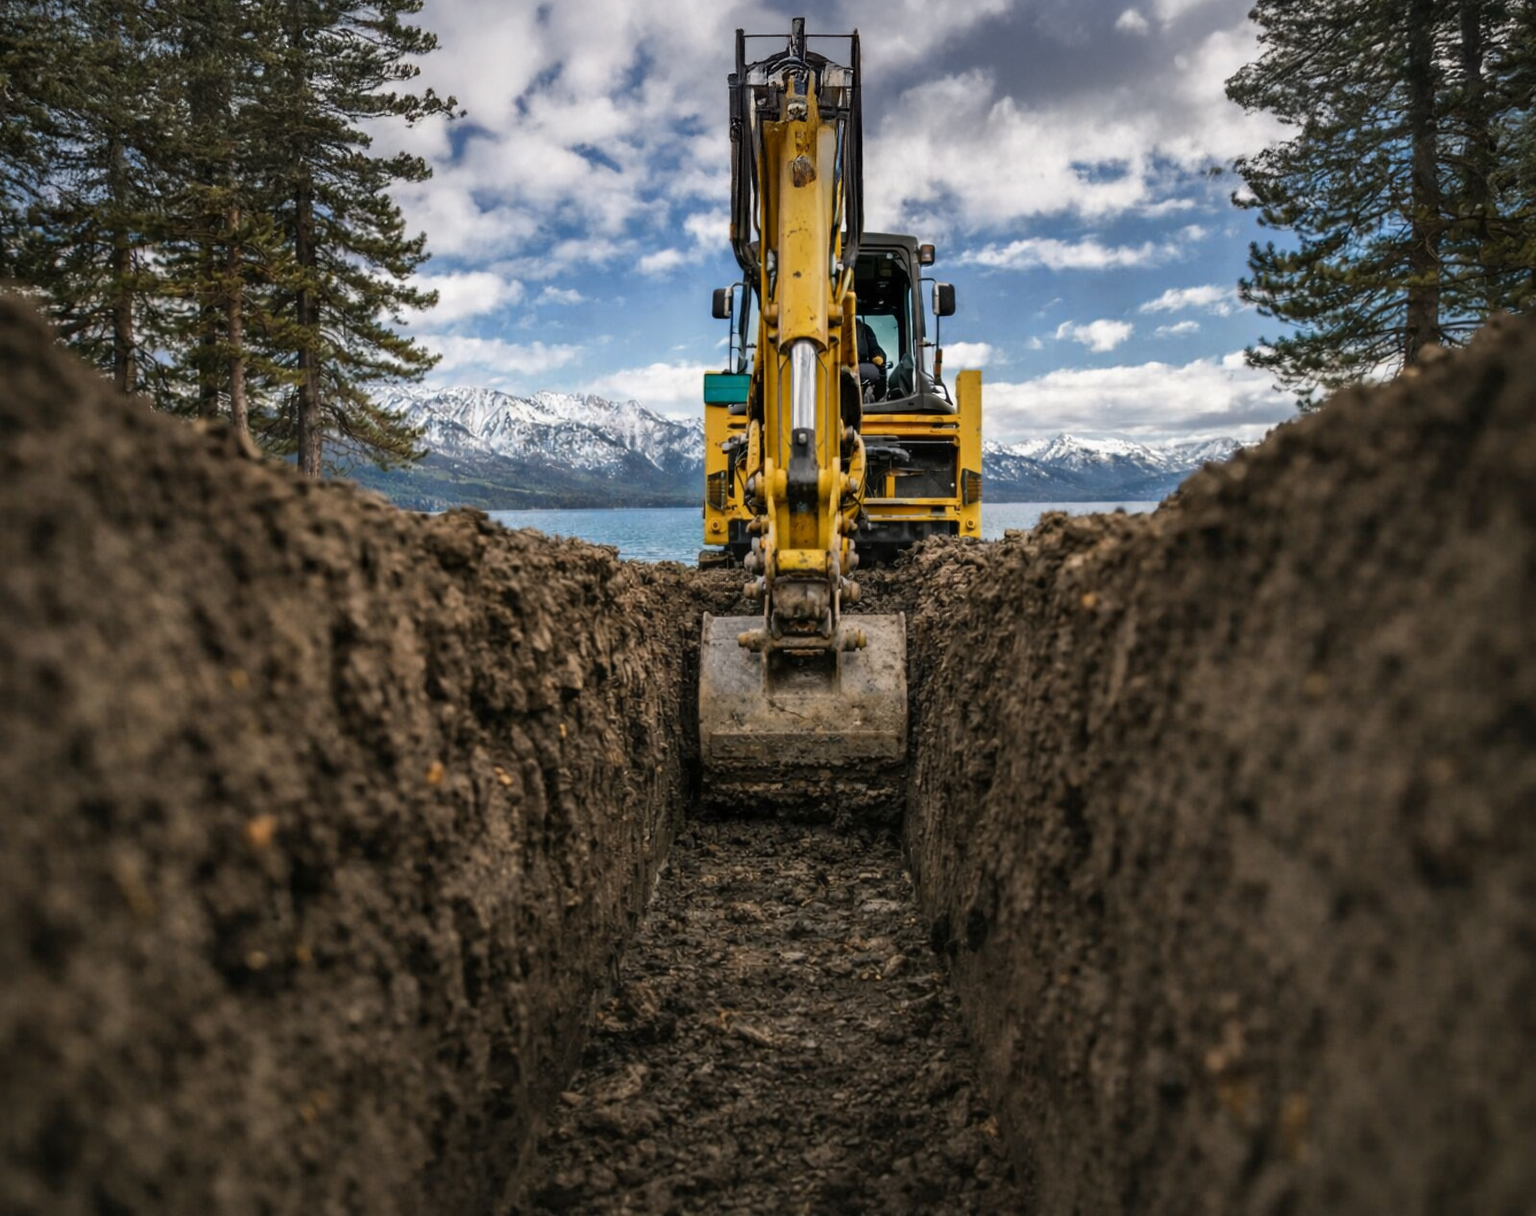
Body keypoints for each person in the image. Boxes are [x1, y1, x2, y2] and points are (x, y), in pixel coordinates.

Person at [856, 318, 887, 403]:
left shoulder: (864, 329)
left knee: (874, 372)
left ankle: (876, 399)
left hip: (860, 366)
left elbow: (874, 347)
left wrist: (878, 355)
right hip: (838, 368)